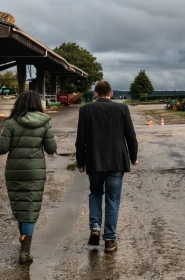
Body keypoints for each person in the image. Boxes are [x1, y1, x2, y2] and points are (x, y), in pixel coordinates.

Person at [0, 90, 57, 264]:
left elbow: (3, 148)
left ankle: (23, 240)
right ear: (37, 103)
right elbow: (50, 148)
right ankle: (24, 252)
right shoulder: (44, 123)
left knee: (21, 206)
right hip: (35, 170)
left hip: (15, 170)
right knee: (30, 209)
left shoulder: (11, 122)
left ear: (19, 103)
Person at [75, 80, 138, 252]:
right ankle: (110, 240)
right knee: (112, 199)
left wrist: (80, 162)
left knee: (95, 193)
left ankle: (95, 227)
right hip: (116, 162)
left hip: (94, 162)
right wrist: (133, 157)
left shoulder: (85, 110)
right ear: (111, 93)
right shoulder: (122, 109)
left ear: (95, 94)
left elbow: (81, 139)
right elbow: (130, 136)